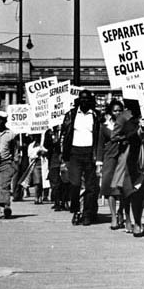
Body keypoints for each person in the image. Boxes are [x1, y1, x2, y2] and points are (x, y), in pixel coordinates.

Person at [60, 89, 103, 226]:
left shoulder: (96, 115)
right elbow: (64, 135)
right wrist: (64, 155)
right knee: (75, 184)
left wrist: (98, 158)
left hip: (90, 153)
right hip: (74, 153)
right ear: (79, 100)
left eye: (87, 99)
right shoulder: (71, 115)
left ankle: (87, 214)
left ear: (91, 101)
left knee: (90, 187)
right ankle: (76, 210)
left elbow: (100, 135)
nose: (84, 101)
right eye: (82, 98)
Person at [99, 100, 127, 230]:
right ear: (110, 112)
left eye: (119, 110)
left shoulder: (126, 124)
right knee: (109, 188)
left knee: (122, 187)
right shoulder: (105, 126)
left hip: (123, 157)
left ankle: (121, 212)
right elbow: (100, 145)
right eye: (115, 110)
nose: (117, 112)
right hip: (110, 158)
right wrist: (99, 162)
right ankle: (114, 217)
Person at [117, 99, 144, 236]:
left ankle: (137, 221)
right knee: (130, 193)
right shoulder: (129, 123)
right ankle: (133, 220)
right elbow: (124, 136)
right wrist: (138, 131)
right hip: (132, 161)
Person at [45, 126, 69, 211]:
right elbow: (46, 145)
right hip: (53, 161)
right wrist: (53, 142)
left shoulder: (65, 130)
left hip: (64, 161)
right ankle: (57, 202)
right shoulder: (49, 132)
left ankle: (64, 201)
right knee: (55, 183)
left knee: (65, 182)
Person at [26, 134, 48, 204]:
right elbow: (30, 155)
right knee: (37, 182)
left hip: (43, 164)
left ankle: (41, 196)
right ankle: (36, 196)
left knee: (43, 182)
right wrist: (37, 153)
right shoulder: (31, 145)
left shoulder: (44, 144)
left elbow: (48, 151)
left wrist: (44, 152)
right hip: (35, 164)